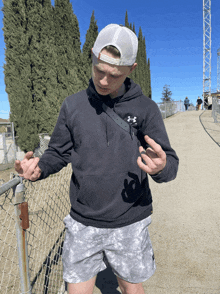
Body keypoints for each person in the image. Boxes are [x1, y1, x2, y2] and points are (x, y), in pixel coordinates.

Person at [15, 24, 179, 294]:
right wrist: (39, 169)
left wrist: (161, 167)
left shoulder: (146, 108)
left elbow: (169, 162)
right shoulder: (72, 106)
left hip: (131, 220)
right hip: (83, 222)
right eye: (99, 71)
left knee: (132, 289)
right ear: (92, 57)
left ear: (131, 69)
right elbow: (57, 152)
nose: (104, 81)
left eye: (114, 75)